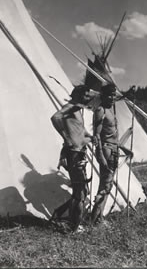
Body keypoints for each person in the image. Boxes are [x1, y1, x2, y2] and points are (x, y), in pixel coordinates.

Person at [50, 85, 94, 233]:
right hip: (73, 153)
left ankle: (59, 213)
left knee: (82, 190)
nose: (88, 98)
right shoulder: (70, 106)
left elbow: (79, 131)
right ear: (79, 95)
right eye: (86, 95)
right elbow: (55, 117)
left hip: (80, 151)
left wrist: (90, 138)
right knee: (79, 191)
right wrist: (66, 137)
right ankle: (73, 226)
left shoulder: (77, 109)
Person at [90, 84, 132, 224]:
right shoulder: (101, 110)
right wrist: (100, 154)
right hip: (106, 150)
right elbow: (96, 137)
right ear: (103, 96)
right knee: (105, 185)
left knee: (107, 186)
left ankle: (97, 217)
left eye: (114, 95)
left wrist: (124, 149)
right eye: (109, 95)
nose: (112, 98)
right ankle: (95, 219)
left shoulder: (110, 109)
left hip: (113, 149)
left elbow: (112, 135)